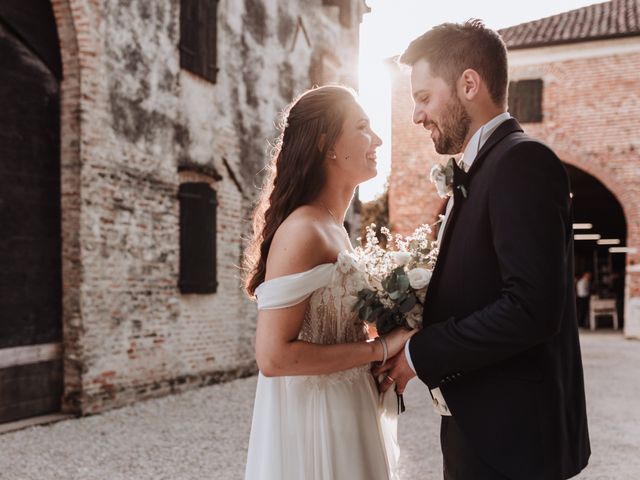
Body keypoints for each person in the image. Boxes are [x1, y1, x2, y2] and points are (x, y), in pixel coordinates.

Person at [374, 20, 591, 479]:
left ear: (468, 83)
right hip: (480, 430)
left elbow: (530, 308)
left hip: (515, 444)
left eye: (424, 97)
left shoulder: (522, 162)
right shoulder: (480, 171)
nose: (417, 115)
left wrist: (419, 354)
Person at [242, 85, 413, 480]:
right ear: (327, 145)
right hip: (318, 419)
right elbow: (273, 357)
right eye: (362, 127)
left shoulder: (333, 228)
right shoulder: (303, 230)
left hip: (351, 405)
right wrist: (380, 346)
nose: (378, 139)